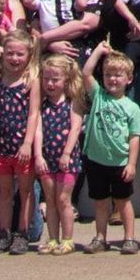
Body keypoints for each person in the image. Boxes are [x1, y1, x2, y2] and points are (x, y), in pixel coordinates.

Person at [80, 43, 140, 254]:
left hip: (120, 161)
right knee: (100, 202)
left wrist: (132, 163)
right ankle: (100, 238)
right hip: (96, 159)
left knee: (123, 201)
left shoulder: (132, 108)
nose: (113, 79)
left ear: (129, 79)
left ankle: (129, 238)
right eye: (108, 74)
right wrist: (99, 51)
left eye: (118, 75)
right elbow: (86, 72)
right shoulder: (98, 95)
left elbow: (135, 137)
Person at [0, 26, 39, 254]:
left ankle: (22, 232)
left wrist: (27, 142)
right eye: (10, 53)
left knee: (25, 191)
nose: (14, 58)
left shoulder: (31, 81)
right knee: (4, 191)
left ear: (28, 55)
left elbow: (34, 113)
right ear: (2, 53)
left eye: (20, 54)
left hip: (22, 147)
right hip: (2, 145)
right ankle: (4, 232)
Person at [33, 54, 86, 254]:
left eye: (55, 79)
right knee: (50, 199)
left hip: (67, 159)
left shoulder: (72, 103)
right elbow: (37, 130)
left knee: (64, 199)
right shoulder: (42, 105)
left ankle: (68, 239)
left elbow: (75, 129)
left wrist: (66, 153)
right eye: (46, 79)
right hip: (47, 158)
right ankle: (53, 238)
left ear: (66, 80)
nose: (50, 83)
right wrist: (38, 155)